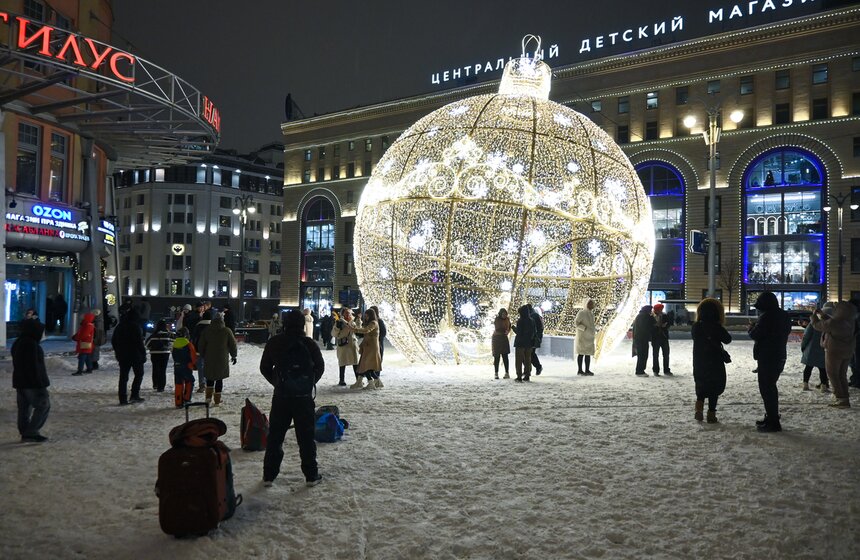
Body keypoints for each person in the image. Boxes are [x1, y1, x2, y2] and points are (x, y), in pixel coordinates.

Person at [260, 309, 324, 488]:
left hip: (281, 397)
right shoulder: (309, 344)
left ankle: (269, 476)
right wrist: (307, 384)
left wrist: (277, 383)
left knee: (275, 437)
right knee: (306, 438)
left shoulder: (275, 342)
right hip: (303, 399)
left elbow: (264, 367)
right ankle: (311, 475)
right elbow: (320, 366)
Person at [748, 291, 792, 432]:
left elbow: (756, 334)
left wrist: (751, 328)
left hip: (767, 357)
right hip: (779, 355)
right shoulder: (784, 315)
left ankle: (773, 422)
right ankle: (771, 417)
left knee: (767, 389)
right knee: (770, 387)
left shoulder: (766, 317)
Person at [692, 298, 732, 423]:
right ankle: (711, 414)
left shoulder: (696, 326)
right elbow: (728, 339)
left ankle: (699, 409)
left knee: (701, 384)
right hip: (715, 360)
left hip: (699, 360)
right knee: (714, 387)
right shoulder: (716, 327)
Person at [811, 301, 856, 408]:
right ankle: (845, 397)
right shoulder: (850, 321)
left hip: (834, 351)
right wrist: (823, 315)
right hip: (847, 351)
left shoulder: (834, 322)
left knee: (833, 375)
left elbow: (818, 326)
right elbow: (831, 322)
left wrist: (813, 317)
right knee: (842, 374)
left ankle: (840, 399)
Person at [12, 316, 50, 442]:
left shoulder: (20, 342)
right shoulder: (30, 344)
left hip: (20, 381)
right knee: (43, 405)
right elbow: (33, 366)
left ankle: (25, 432)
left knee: (24, 408)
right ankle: (31, 432)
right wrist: (39, 383)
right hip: (32, 382)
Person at [196, 313, 238, 407]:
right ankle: (217, 401)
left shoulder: (207, 330)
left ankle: (208, 398)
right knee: (219, 379)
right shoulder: (227, 331)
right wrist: (234, 356)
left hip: (209, 357)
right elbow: (233, 345)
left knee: (210, 377)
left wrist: (202, 354)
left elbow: (201, 344)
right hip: (222, 358)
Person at [111, 310, 147, 405]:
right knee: (139, 374)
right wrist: (143, 354)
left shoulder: (119, 326)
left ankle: (122, 398)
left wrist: (118, 351)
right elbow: (139, 342)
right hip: (135, 356)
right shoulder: (136, 326)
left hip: (123, 356)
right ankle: (134, 395)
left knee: (123, 377)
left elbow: (113, 341)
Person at [348, 308, 383, 389]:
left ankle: (371, 383)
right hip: (368, 347)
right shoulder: (370, 323)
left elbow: (366, 330)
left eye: (367, 316)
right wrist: (358, 320)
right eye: (365, 316)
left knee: (365, 366)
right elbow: (362, 329)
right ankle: (376, 381)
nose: (366, 317)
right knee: (366, 366)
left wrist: (355, 329)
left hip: (372, 348)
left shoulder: (373, 323)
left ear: (371, 316)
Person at [800, 312, 828, 392]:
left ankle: (805, 384)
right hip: (823, 348)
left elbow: (806, 336)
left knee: (808, 367)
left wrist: (803, 347)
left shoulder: (813, 324)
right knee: (823, 369)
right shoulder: (829, 323)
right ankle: (823, 385)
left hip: (811, 349)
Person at [332, 309, 360, 386]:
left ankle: (358, 379)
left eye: (349, 313)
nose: (348, 315)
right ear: (343, 314)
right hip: (343, 345)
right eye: (346, 313)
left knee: (355, 362)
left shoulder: (353, 322)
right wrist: (337, 327)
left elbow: (358, 330)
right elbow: (334, 334)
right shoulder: (339, 322)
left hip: (352, 344)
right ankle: (341, 380)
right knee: (342, 362)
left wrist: (359, 320)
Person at [171, 327, 197, 408]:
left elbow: (174, 355)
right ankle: (186, 399)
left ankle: (178, 402)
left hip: (177, 366)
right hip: (187, 367)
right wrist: (194, 364)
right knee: (189, 381)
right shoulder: (188, 344)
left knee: (178, 384)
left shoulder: (175, 344)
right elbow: (193, 355)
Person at [145, 319, 173, 392]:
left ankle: (155, 384)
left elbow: (147, 345)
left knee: (155, 368)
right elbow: (173, 343)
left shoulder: (153, 336)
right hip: (165, 354)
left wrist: (152, 348)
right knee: (162, 370)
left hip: (154, 354)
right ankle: (161, 387)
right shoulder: (168, 335)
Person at [511, 305, 535, 382]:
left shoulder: (520, 321)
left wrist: (513, 327)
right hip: (528, 343)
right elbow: (533, 332)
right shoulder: (531, 321)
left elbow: (519, 332)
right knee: (527, 360)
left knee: (519, 360)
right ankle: (527, 375)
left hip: (520, 343)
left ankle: (519, 376)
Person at [191, 310, 212, 393]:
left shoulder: (198, 326)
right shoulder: (213, 326)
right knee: (210, 367)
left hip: (199, 349)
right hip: (211, 350)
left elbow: (194, 337)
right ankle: (210, 385)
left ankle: (202, 384)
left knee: (201, 367)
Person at [574, 299, 596, 375]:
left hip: (589, 337)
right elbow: (576, 323)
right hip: (582, 337)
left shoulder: (591, 314)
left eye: (592, 304)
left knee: (588, 354)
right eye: (590, 304)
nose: (592, 305)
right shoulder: (582, 313)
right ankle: (580, 370)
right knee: (581, 353)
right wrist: (584, 328)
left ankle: (587, 370)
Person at [632, 305, 655, 376]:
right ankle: (640, 371)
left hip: (639, 338)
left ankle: (640, 370)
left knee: (642, 355)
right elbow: (650, 325)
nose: (651, 311)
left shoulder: (640, 315)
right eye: (651, 310)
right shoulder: (645, 316)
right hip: (642, 339)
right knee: (643, 355)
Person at [651, 303, 672, 376]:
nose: (661, 310)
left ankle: (666, 370)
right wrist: (656, 326)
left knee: (666, 354)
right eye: (660, 309)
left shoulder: (664, 315)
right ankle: (656, 370)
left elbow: (669, 323)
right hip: (655, 338)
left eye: (661, 309)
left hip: (664, 337)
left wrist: (665, 326)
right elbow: (650, 327)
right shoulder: (652, 316)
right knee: (655, 355)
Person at [491, 308, 511, 380]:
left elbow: (509, 326)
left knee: (505, 356)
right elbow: (498, 328)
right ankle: (496, 373)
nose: (505, 315)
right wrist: (505, 330)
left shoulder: (507, 319)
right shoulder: (497, 319)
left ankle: (507, 372)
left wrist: (508, 331)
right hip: (497, 338)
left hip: (504, 338)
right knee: (497, 356)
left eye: (505, 314)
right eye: (503, 314)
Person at [370, 305, 387, 375]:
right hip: (370, 344)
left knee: (377, 359)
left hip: (378, 343)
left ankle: (377, 375)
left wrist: (376, 337)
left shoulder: (379, 321)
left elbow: (383, 333)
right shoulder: (370, 322)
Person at [527, 304, 544, 376]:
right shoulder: (535, 315)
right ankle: (534, 368)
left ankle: (537, 367)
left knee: (530, 353)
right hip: (533, 337)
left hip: (532, 338)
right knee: (530, 353)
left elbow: (535, 328)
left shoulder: (532, 316)